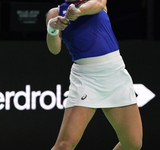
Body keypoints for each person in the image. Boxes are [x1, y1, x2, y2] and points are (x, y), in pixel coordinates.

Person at [46, 0, 143, 150]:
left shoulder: (94, 2)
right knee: (64, 145)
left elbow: (98, 4)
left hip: (115, 73)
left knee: (133, 145)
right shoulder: (54, 13)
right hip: (85, 78)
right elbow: (54, 49)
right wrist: (52, 28)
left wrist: (78, 11)